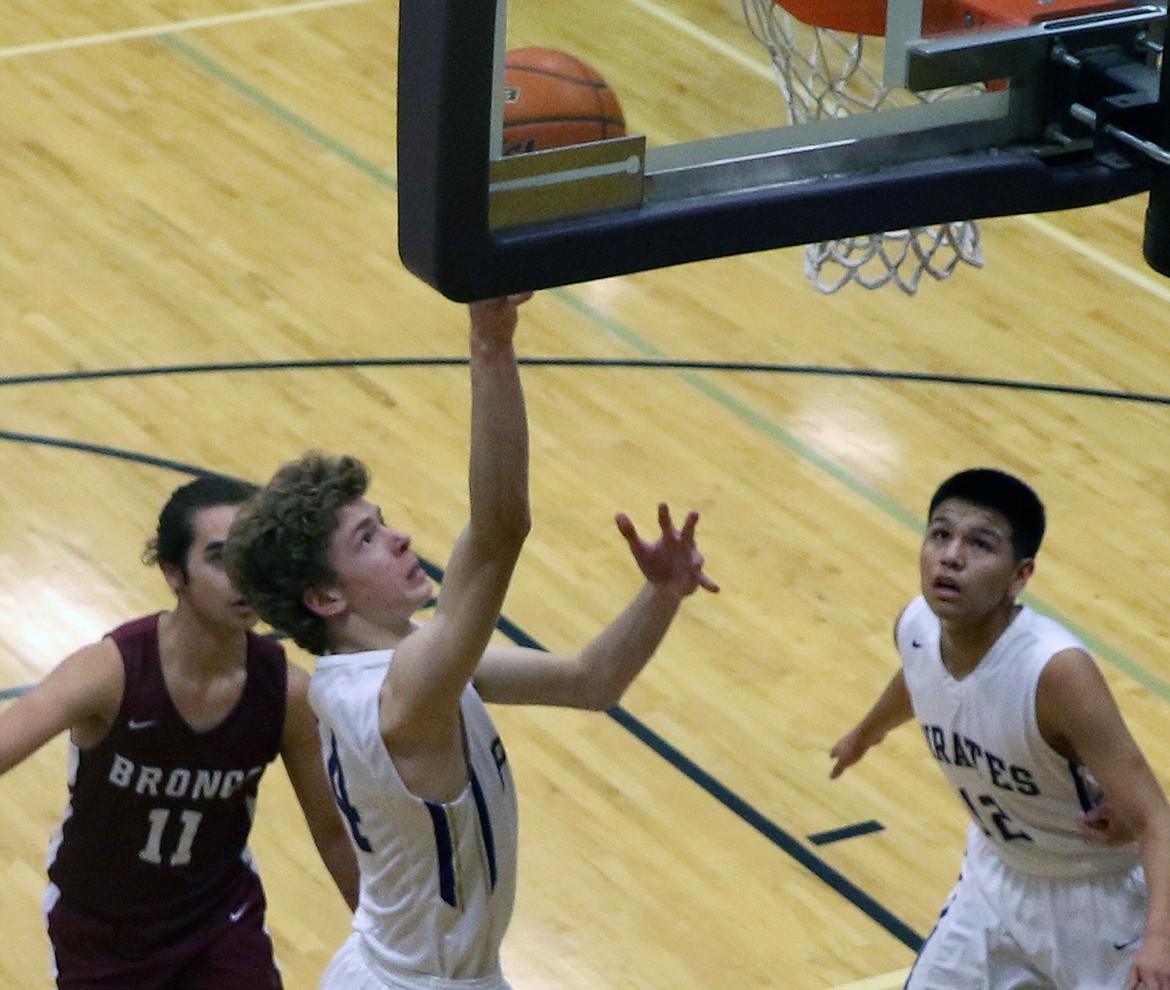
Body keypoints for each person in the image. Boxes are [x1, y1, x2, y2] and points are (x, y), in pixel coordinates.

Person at [224, 293, 719, 990]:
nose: (398, 537)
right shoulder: (402, 694)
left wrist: (660, 594)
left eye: (382, 520)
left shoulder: (403, 668)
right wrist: (492, 343)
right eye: (366, 538)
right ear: (327, 598)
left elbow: (589, 682)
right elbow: (498, 532)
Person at [0, 474, 359, 990]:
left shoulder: (287, 693)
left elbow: (333, 832)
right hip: (100, 924)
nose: (244, 575)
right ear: (173, 573)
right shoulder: (111, 672)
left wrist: (390, 943)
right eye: (220, 558)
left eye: (255, 554)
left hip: (217, 918)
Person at [829, 467, 1170, 990]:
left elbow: (1153, 818)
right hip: (995, 881)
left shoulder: (1055, 672)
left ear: (1020, 576)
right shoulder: (917, 625)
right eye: (940, 534)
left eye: (979, 544)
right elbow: (919, 677)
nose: (951, 556)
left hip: (1099, 901)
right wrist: (867, 731)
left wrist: (1160, 943)